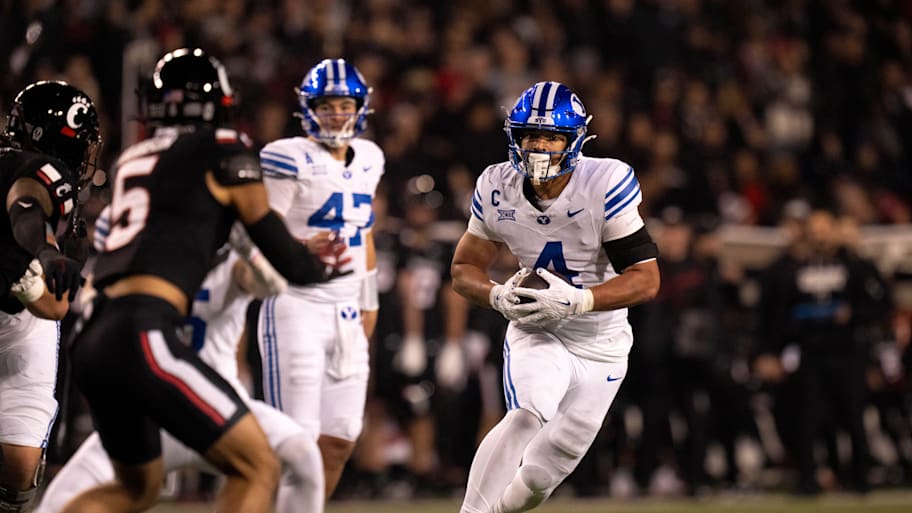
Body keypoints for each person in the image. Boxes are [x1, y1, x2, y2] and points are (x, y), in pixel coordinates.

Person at [63, 48, 326, 513]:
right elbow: (288, 260)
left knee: (135, 491)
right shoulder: (222, 147)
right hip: (142, 331)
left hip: (92, 335)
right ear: (217, 103)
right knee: (256, 466)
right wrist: (319, 265)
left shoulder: (132, 158)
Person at [451, 81, 661, 513]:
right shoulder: (497, 185)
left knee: (539, 479)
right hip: (539, 329)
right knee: (527, 413)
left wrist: (580, 300)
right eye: (530, 134)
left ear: (574, 140)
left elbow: (646, 280)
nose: (539, 146)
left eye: (551, 137)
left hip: (602, 343)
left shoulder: (604, 182)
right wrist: (496, 296)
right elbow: (463, 269)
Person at [35, 207, 324, 513]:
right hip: (150, 410)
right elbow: (93, 298)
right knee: (57, 501)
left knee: (302, 454)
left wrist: (251, 252)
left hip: (222, 407)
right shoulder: (141, 259)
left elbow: (264, 285)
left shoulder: (230, 259)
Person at [254, 57, 383, 504]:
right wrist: (299, 247)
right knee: (297, 439)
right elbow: (259, 229)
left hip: (346, 309)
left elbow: (364, 233)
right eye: (326, 106)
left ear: (360, 108)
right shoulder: (287, 156)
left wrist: (369, 300)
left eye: (344, 106)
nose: (336, 115)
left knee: (341, 436)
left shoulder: (370, 158)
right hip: (296, 304)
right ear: (308, 109)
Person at [0, 80, 100, 512]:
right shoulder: (35, 170)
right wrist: (42, 251)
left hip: (22, 323)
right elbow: (26, 202)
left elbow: (54, 305)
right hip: (16, 305)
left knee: (20, 468)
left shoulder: (66, 195)